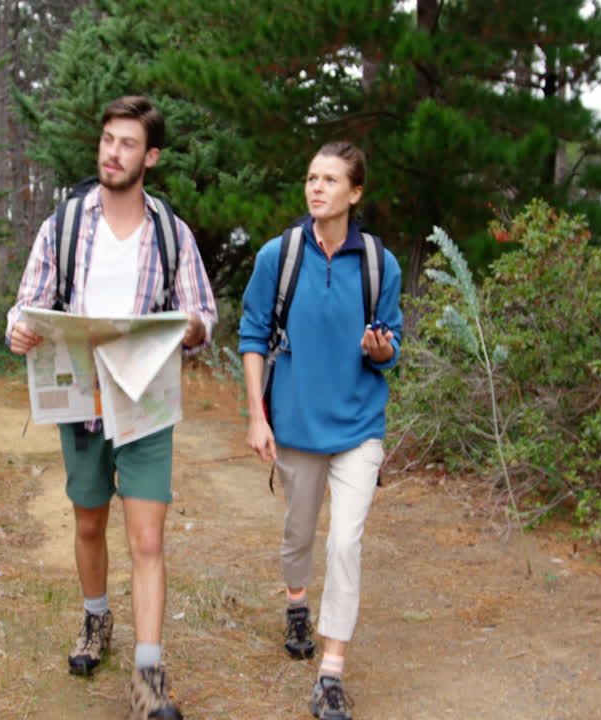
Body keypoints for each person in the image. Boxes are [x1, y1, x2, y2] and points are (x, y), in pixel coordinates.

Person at [6, 95, 216, 720]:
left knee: (147, 539)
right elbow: (27, 303)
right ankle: (96, 619)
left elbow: (203, 313)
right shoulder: (65, 226)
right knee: (90, 523)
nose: (112, 153)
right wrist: (19, 329)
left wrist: (191, 329)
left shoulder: (172, 234)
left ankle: (148, 681)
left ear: (150, 157)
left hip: (146, 403)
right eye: (107, 140)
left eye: (127, 144)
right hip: (81, 403)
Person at [237, 141, 403, 720]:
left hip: (360, 425)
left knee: (345, 542)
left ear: (355, 193)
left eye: (330, 180)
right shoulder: (278, 256)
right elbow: (252, 334)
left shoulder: (380, 263)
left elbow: (392, 345)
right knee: (299, 533)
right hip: (296, 423)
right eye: (312, 177)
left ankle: (331, 672)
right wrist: (257, 415)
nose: (317, 187)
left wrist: (381, 350)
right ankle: (296, 603)